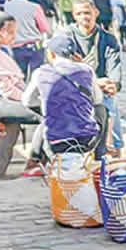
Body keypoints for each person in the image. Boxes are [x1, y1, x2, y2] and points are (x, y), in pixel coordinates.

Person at [21, 33, 108, 175]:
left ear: (51, 54)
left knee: (48, 115)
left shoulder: (40, 72)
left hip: (54, 144)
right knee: (102, 110)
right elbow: (97, 100)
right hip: (87, 141)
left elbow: (27, 101)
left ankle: (35, 160)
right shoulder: (86, 70)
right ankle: (100, 158)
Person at [68, 0, 122, 156]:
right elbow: (65, 67)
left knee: (110, 101)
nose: (84, 17)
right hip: (74, 86)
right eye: (79, 13)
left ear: (96, 13)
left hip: (102, 87)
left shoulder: (108, 38)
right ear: (74, 15)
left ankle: (114, 148)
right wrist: (94, 82)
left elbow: (114, 66)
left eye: (87, 13)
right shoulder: (67, 37)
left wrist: (114, 84)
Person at [4, 0, 50, 79]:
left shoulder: (5, 7)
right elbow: (45, 28)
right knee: (37, 78)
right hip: (36, 47)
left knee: (20, 78)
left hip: (15, 48)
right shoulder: (35, 7)